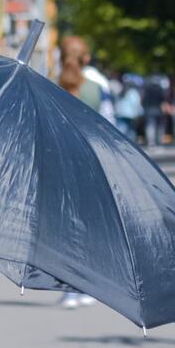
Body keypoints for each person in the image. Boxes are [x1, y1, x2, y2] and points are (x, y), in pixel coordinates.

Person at [55, 36, 103, 309]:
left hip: (60, 162)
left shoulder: (50, 84)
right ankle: (87, 285)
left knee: (64, 228)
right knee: (88, 226)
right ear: (86, 59)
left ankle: (68, 287)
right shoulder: (95, 89)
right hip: (89, 162)